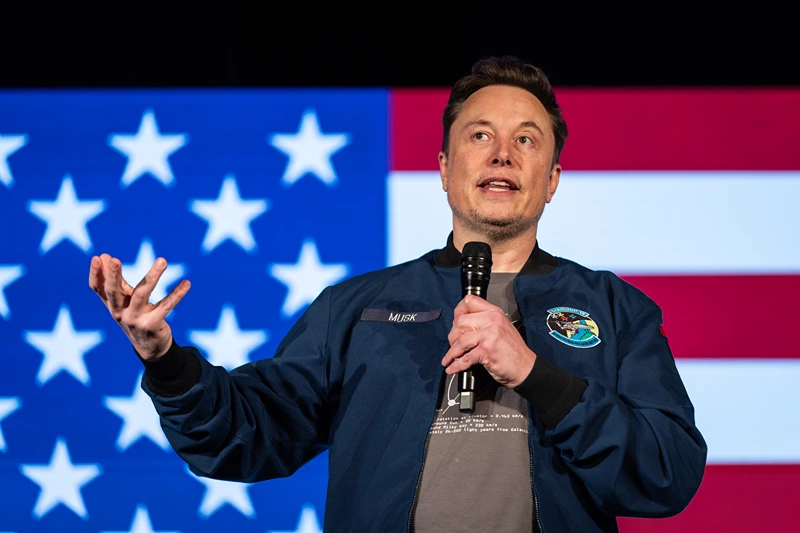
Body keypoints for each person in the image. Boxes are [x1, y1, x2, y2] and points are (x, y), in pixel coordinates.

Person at [88, 56, 707, 532]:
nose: (501, 153)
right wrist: (167, 363)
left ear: (551, 181)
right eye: (479, 135)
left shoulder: (616, 309)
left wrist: (536, 374)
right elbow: (243, 438)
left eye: (526, 140)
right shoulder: (354, 308)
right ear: (442, 167)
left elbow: (668, 474)